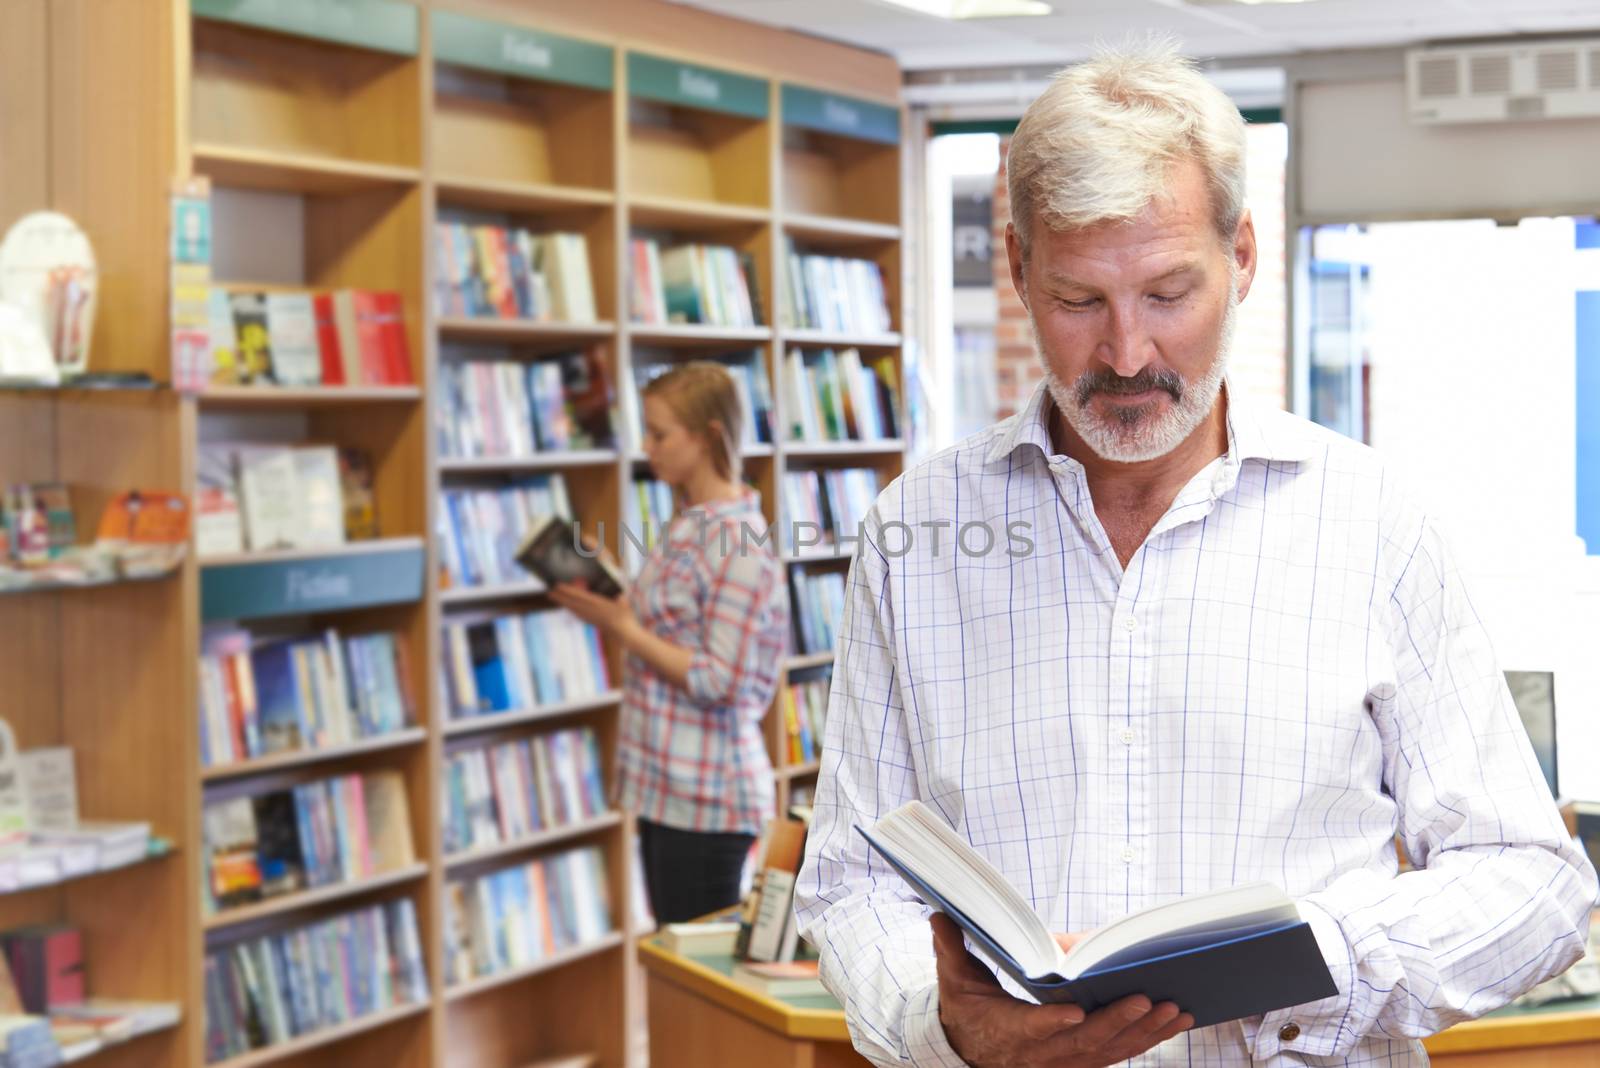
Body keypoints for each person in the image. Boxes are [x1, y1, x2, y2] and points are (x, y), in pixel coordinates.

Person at [794, 42, 1597, 1068]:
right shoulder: (916, 535)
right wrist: (941, 1024)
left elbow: (1529, 877)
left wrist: (1320, 963)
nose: (1126, 355)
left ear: (1245, 257)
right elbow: (850, 879)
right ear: (1017, 269)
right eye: (1079, 301)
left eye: (1168, 295)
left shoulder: (1372, 521)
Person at [550, 361, 788, 925]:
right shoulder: (691, 522)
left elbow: (719, 679)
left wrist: (623, 630)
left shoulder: (739, 544)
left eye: (660, 434)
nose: (647, 447)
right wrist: (607, 589)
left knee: (695, 992)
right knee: (670, 970)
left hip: (707, 799)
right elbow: (672, 623)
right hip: (664, 784)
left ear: (707, 436)